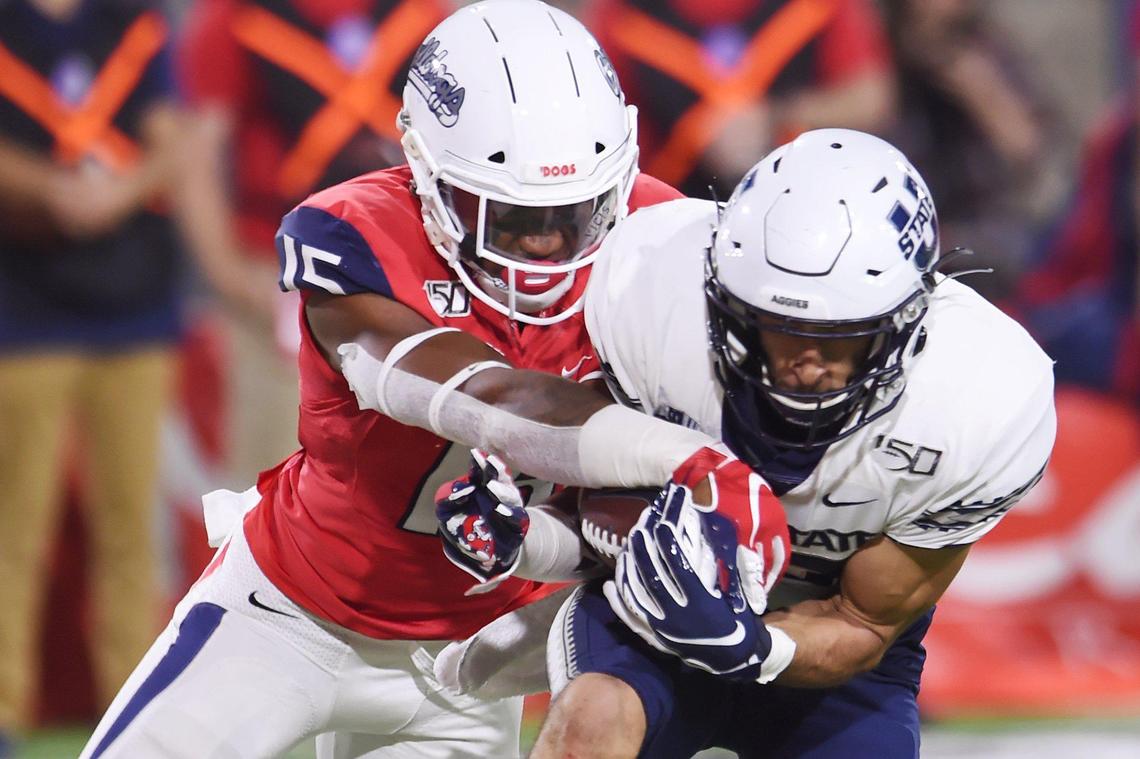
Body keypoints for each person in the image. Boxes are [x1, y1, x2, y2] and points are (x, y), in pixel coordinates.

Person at [78, 2, 781, 756]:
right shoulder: (357, 234)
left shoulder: (659, 244)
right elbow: (486, 403)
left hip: (466, 665)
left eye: (573, 214)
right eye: (509, 216)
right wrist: (682, 459)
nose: (545, 244)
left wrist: (543, 540)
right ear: (422, 167)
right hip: (288, 612)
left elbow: (605, 519)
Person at [433, 129, 1056, 758]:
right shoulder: (649, 292)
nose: (804, 366)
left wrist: (755, 647)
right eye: (779, 328)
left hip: (822, 646)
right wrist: (531, 535)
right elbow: (602, 512)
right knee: (592, 722)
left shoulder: (982, 398)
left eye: (840, 336)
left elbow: (865, 623)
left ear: (907, 317)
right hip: (649, 611)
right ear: (722, 297)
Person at [0, 0, 183, 752]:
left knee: (130, 529)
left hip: (133, 308)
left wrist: (119, 189)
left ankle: (132, 714)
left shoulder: (131, 18)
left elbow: (175, 140)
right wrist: (52, 189)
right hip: (23, 313)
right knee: (14, 528)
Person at [175, 0, 451, 488]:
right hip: (283, 280)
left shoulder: (421, 12)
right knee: (275, 479)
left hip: (409, 274)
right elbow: (199, 151)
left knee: (414, 481)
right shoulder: (235, 17)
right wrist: (229, 273)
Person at [582, 0, 895, 199]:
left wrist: (776, 117)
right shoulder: (622, 14)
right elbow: (597, 129)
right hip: (675, 210)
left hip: (810, 198)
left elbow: (870, 97)